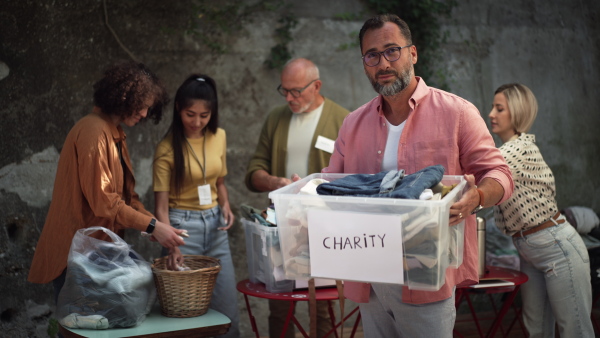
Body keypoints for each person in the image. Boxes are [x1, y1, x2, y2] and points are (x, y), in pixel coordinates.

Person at [322, 14, 514, 337]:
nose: (383, 63)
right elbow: (330, 185)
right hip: (367, 273)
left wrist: (477, 198)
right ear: (364, 63)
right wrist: (302, 191)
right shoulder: (352, 124)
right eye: (372, 55)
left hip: (426, 275)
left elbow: (500, 174)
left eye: (391, 51)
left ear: (412, 53)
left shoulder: (457, 113)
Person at [28, 61, 186, 304]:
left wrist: (152, 225)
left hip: (96, 253)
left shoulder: (112, 132)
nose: (144, 114)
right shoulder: (94, 131)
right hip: (79, 256)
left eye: (148, 109)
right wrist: (154, 226)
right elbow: (105, 202)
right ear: (125, 97)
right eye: (142, 106)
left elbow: (128, 198)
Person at [245, 58, 349, 338]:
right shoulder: (276, 118)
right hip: (282, 224)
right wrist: (275, 183)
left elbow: (355, 178)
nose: (289, 98)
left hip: (325, 227)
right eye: (284, 90)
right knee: (279, 302)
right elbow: (253, 172)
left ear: (316, 86)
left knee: (325, 303)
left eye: (296, 91)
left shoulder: (344, 119)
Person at [489, 83, 593, 337]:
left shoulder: (516, 149)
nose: (491, 114)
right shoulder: (505, 151)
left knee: (574, 330)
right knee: (536, 329)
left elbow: (484, 179)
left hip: (556, 248)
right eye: (493, 107)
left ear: (516, 112)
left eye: (499, 108)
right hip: (530, 250)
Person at [153, 74, 239, 338]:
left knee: (227, 313)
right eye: (191, 114)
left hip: (216, 228)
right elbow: (161, 208)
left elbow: (220, 183)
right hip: (181, 229)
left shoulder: (219, 136)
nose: (197, 122)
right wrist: (172, 244)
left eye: (204, 115)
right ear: (178, 108)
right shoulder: (167, 149)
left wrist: (226, 205)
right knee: (184, 316)